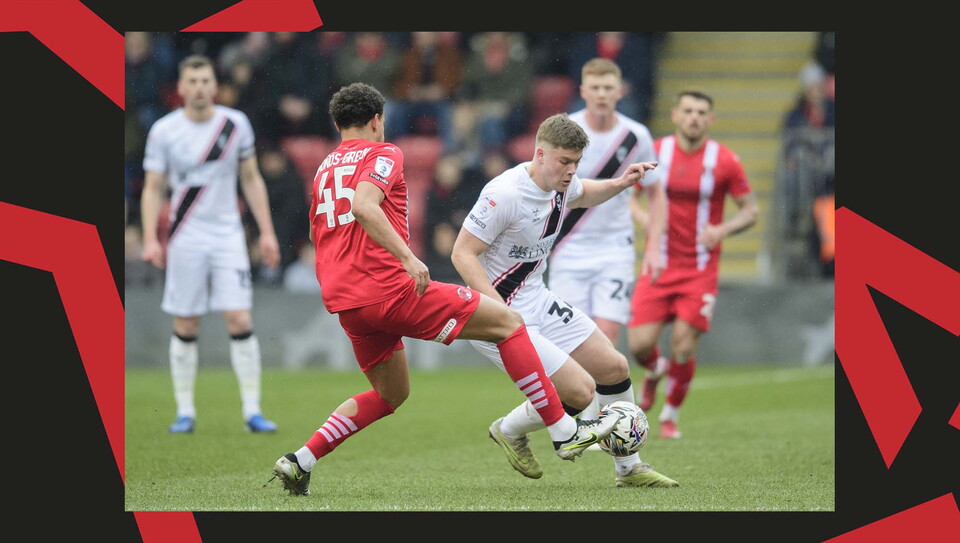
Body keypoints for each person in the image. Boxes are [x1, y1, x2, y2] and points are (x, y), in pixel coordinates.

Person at [266, 83, 617, 497]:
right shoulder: (385, 153)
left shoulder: (325, 168)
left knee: (391, 393)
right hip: (391, 289)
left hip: (347, 302)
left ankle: (300, 460)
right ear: (378, 120)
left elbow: (318, 230)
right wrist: (408, 258)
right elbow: (364, 206)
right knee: (506, 321)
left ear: (337, 122)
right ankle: (563, 431)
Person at [451, 113, 678, 487]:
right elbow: (463, 253)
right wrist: (498, 312)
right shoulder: (504, 194)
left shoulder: (560, 183)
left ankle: (629, 469)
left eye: (576, 162)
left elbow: (585, 193)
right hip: (495, 314)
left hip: (537, 298)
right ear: (540, 154)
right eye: (565, 161)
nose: (571, 170)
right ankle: (509, 429)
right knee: (579, 391)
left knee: (614, 367)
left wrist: (622, 183)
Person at [139, 54, 281, 434]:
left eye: (206, 80)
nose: (200, 87)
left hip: (227, 235)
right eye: (193, 81)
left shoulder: (235, 125)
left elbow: (251, 179)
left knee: (239, 317)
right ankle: (184, 411)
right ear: (181, 88)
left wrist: (266, 232)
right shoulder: (164, 131)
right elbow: (153, 188)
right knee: (187, 320)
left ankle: (252, 410)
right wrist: (152, 237)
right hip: (185, 237)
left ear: (214, 86)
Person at [626, 89, 759, 439]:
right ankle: (655, 371)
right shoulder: (655, 152)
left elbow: (751, 210)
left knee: (684, 346)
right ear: (675, 115)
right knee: (639, 346)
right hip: (658, 265)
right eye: (688, 110)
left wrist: (723, 229)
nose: (694, 117)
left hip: (700, 268)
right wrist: (644, 219)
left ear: (711, 119)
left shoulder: (725, 160)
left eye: (702, 112)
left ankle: (670, 415)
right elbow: (629, 195)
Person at [547, 58, 666, 421]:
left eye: (607, 88)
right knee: (567, 342)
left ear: (619, 91)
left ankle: (604, 424)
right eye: (594, 88)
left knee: (605, 336)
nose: (601, 94)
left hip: (615, 248)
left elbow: (656, 192)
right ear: (583, 91)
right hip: (568, 247)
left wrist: (655, 246)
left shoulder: (636, 136)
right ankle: (586, 416)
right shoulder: (567, 130)